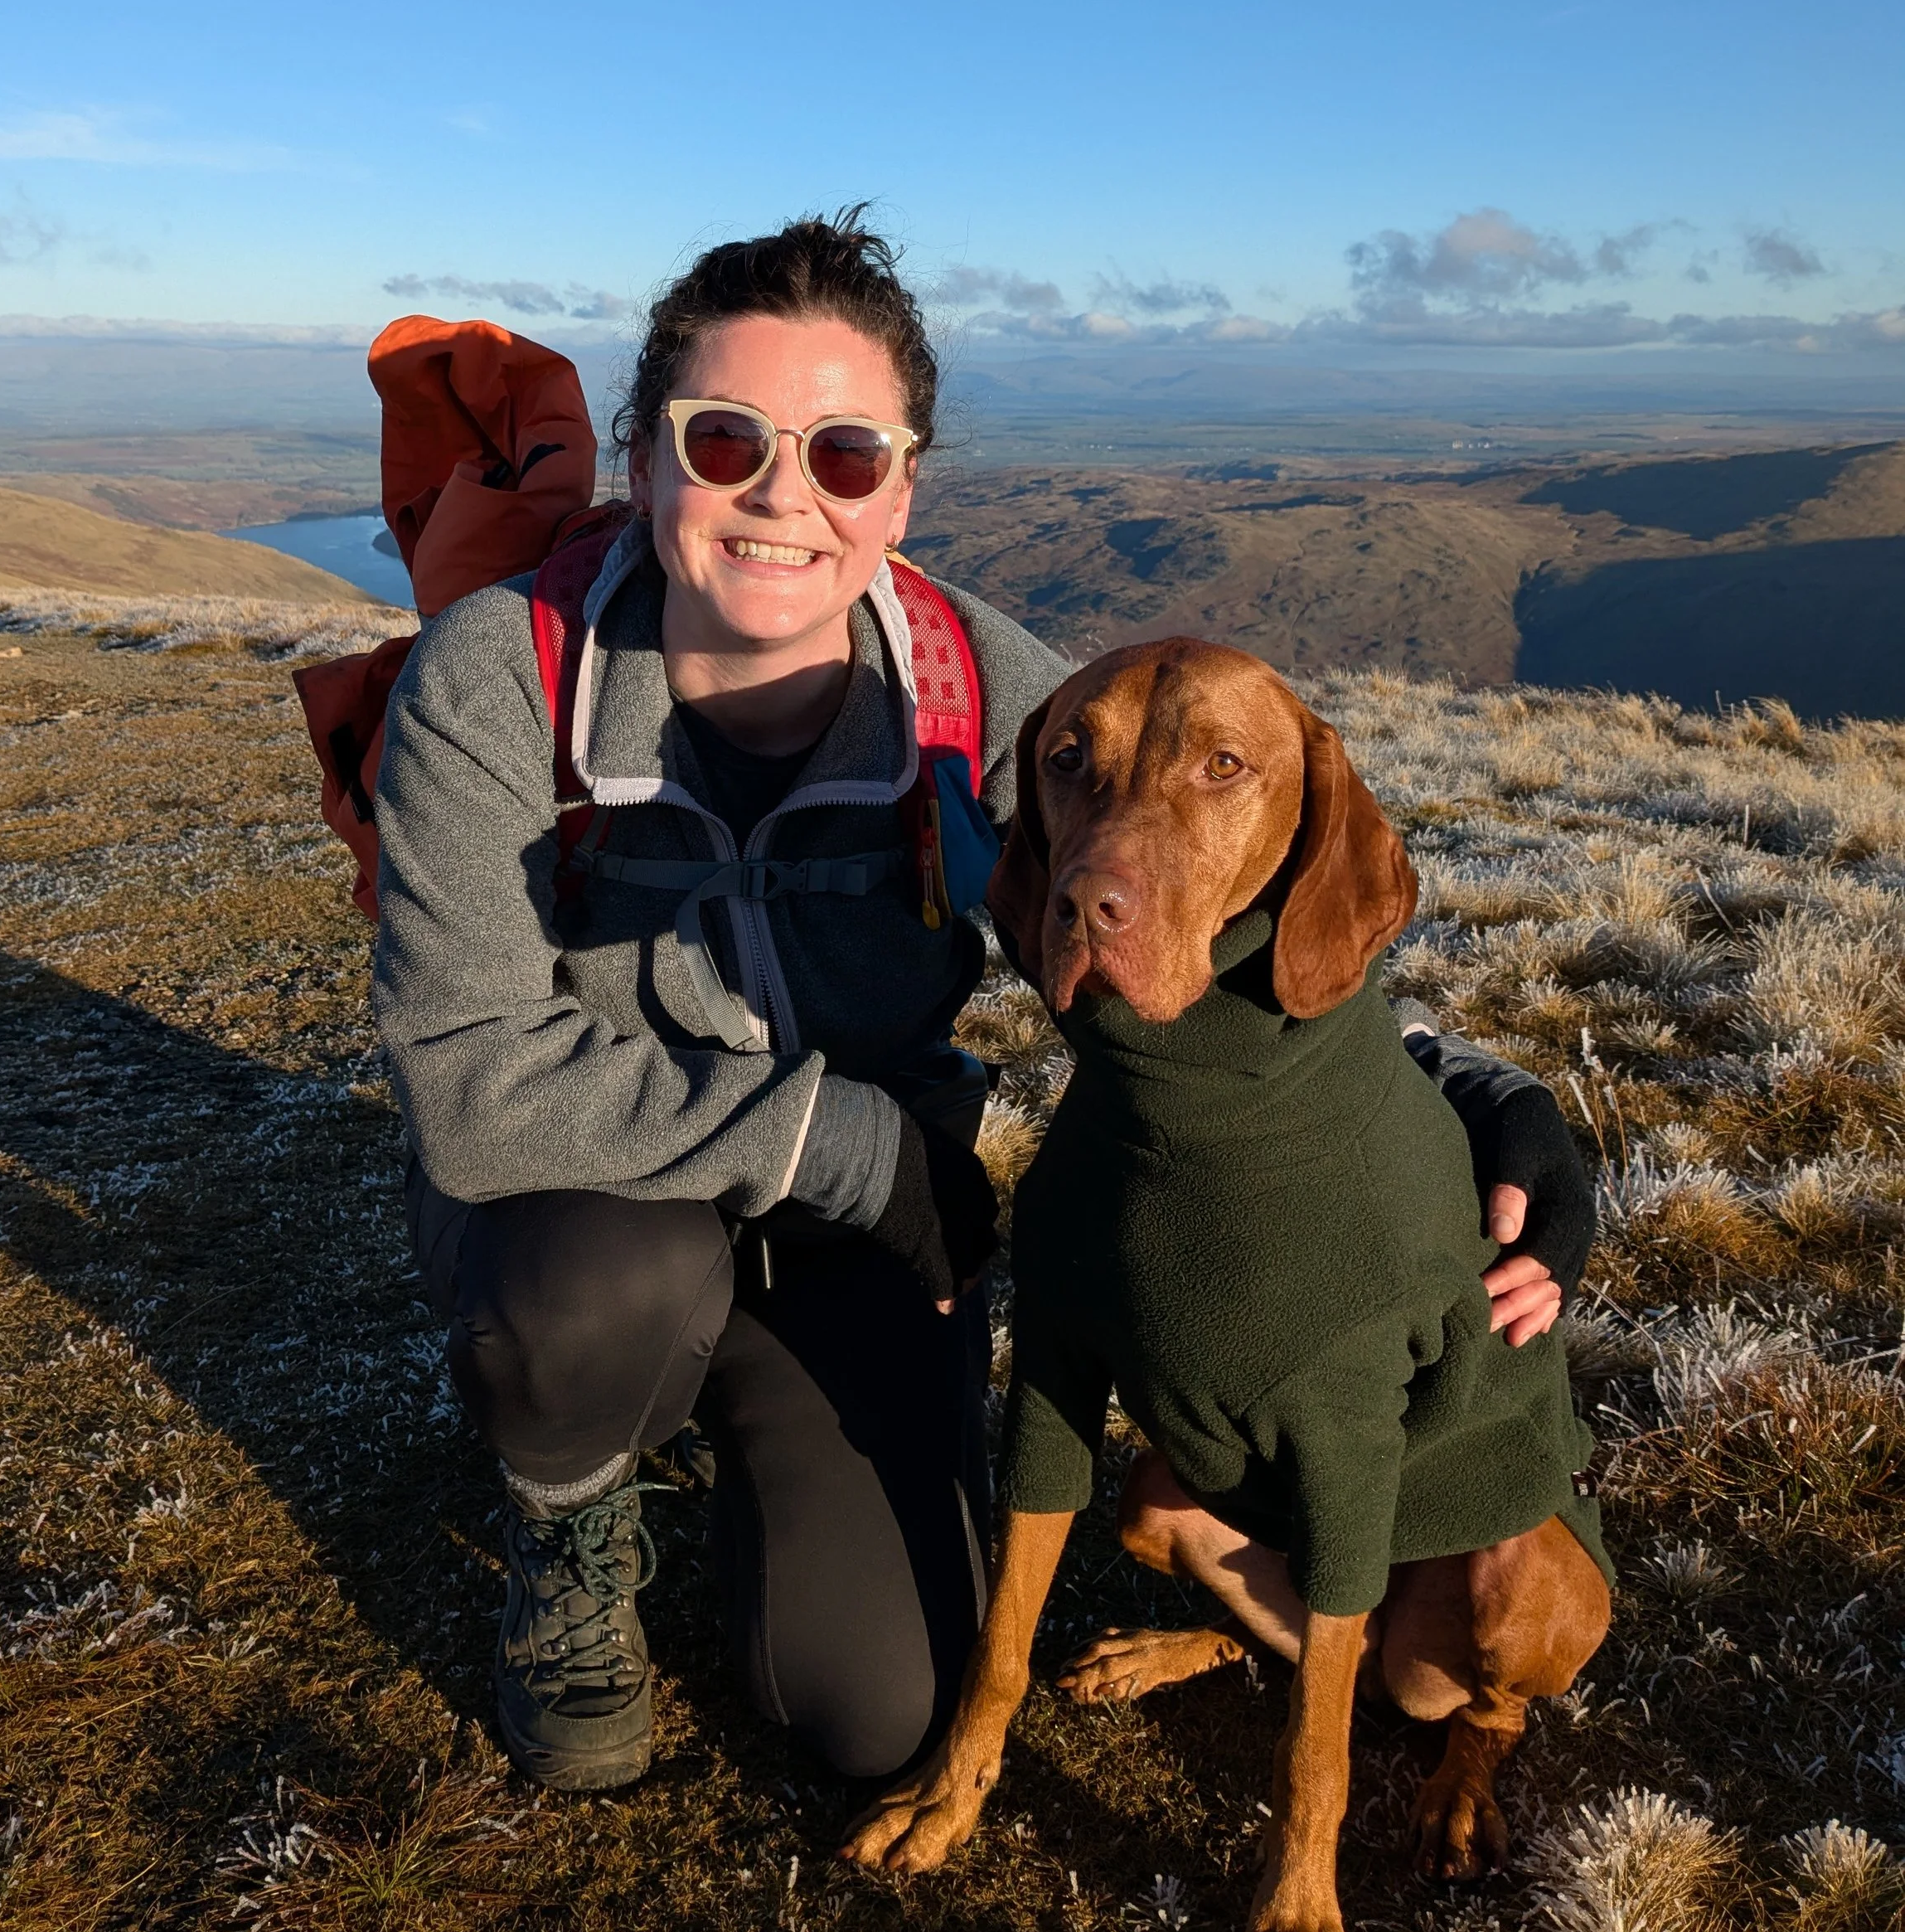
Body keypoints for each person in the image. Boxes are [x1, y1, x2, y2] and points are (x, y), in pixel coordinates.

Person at [372, 211, 1592, 1793]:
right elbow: (470, 1082)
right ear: (649, 457)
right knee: (594, 1276)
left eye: (847, 455)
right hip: (608, 1212)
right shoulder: (499, 681)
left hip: (866, 1243)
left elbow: (1222, 927)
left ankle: (757, 1444)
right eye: (724, 437)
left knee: (879, 1721)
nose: (782, 496)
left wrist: (1484, 1100)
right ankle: (574, 1505)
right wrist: (859, 1149)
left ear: (905, 485)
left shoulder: (1000, 699)